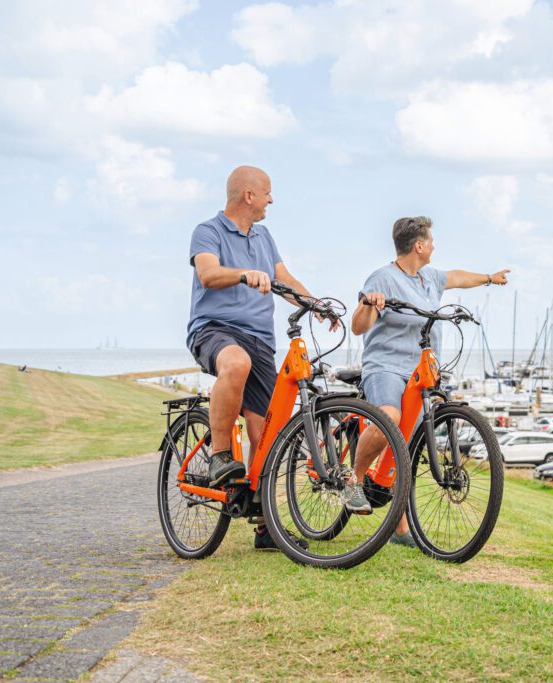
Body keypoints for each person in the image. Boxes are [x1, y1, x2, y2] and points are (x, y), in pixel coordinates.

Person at [187, 165, 329, 550]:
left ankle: (266, 526)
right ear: (249, 195)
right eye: (267, 193)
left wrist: (315, 304)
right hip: (215, 330)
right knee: (236, 363)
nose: (271, 200)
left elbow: (286, 279)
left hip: (260, 340)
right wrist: (244, 274)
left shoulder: (264, 237)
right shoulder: (208, 231)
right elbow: (208, 274)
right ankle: (219, 455)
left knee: (265, 431)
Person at [348, 216, 509, 547]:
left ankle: (399, 527)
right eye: (431, 241)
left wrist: (489, 279)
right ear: (419, 246)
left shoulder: (428, 278)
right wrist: (369, 304)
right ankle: (353, 480)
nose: (434, 246)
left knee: (407, 445)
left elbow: (457, 277)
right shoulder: (383, 278)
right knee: (389, 417)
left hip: (421, 373)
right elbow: (358, 326)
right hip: (387, 366)